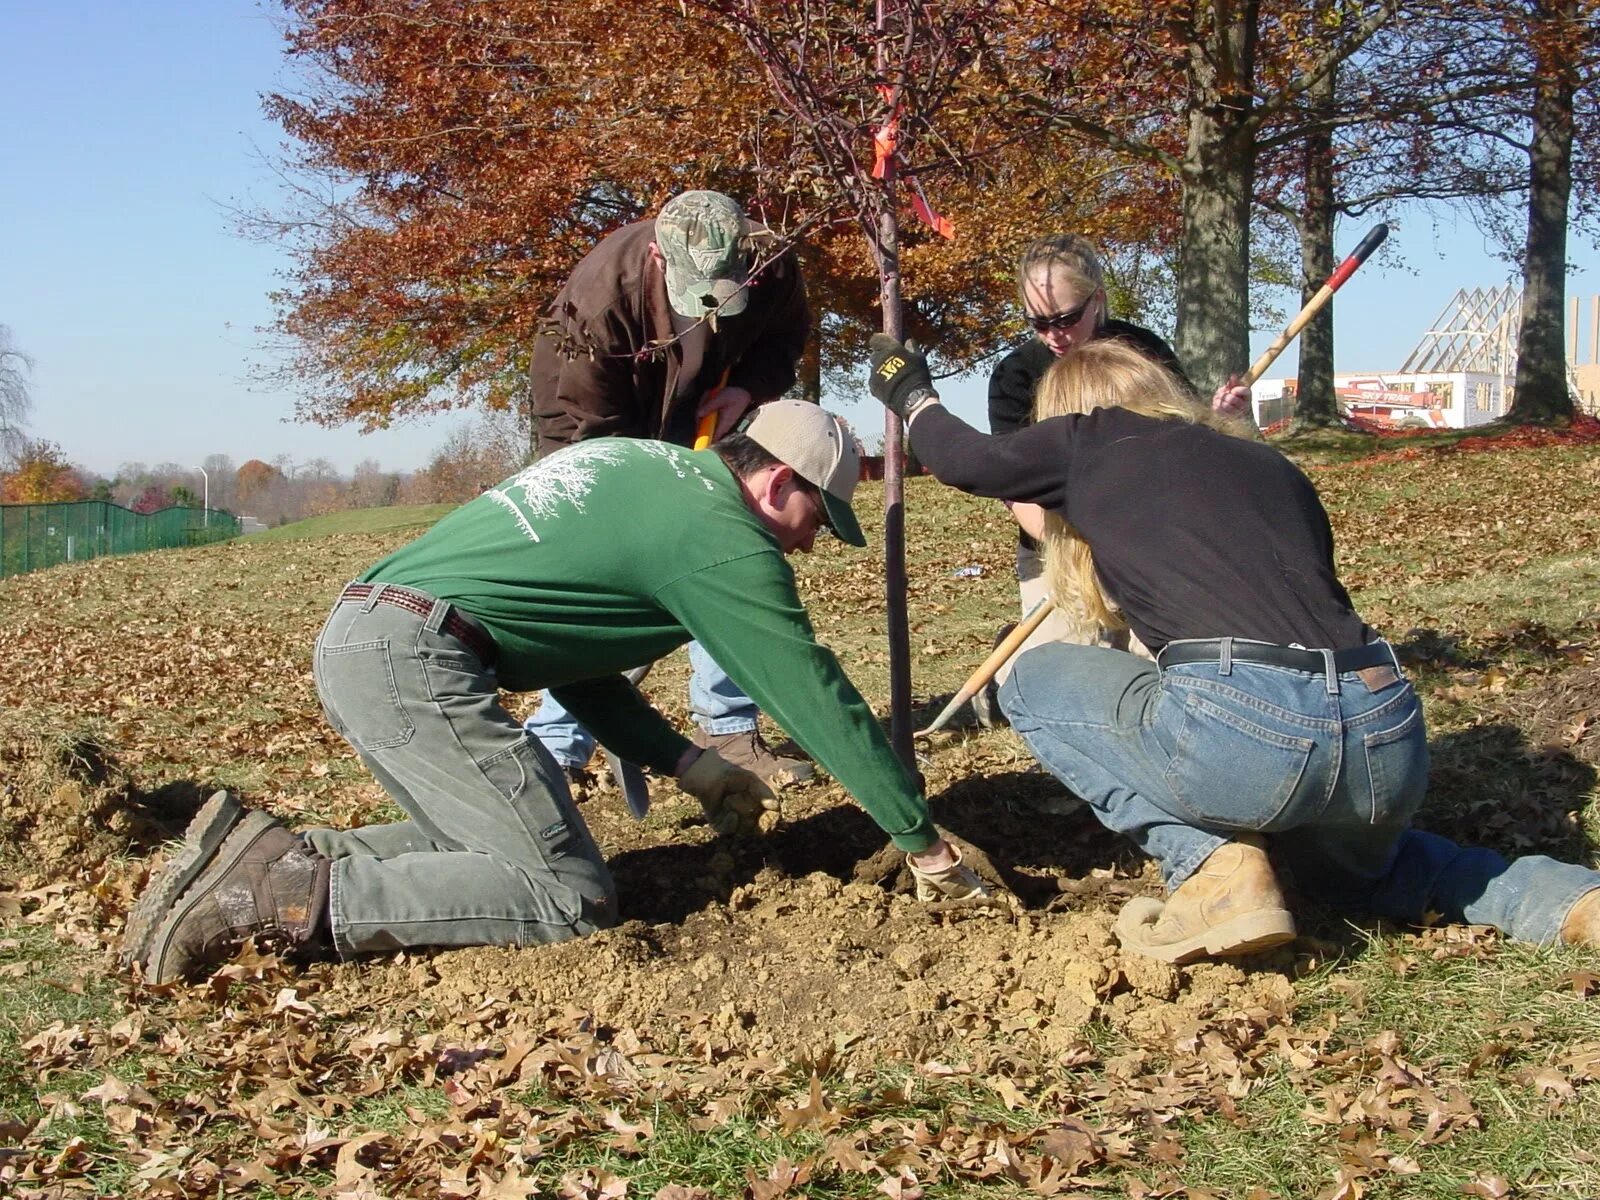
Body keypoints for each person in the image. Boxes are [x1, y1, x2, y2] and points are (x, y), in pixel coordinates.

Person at [121, 401, 990, 985]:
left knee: (468, 841)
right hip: (416, 659)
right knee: (566, 896)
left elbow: (571, 660)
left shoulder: (645, 468)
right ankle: (267, 899)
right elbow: (813, 693)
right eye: (816, 521)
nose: (808, 546)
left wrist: (687, 763)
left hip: (371, 635)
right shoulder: (725, 537)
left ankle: (277, 851)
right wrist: (921, 840)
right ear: (776, 484)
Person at [865, 333, 1600, 964]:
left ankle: (1217, 870)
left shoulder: (1090, 436)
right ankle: (1569, 901)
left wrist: (913, 395)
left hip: (1251, 728)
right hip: (1385, 729)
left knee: (1032, 679)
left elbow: (966, 460)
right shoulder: (1271, 466)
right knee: (1369, 877)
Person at [525, 189, 813, 787]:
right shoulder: (600, 298)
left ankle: (727, 729)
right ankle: (556, 747)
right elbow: (592, 422)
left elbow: (785, 339)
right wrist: (644, 505)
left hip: (710, 415)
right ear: (658, 256)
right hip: (592, 431)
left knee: (727, 550)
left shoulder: (769, 262)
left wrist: (748, 390)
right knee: (605, 577)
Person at [977, 236, 1252, 727]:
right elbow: (1016, 490)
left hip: (1150, 537)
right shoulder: (1017, 375)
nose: (1054, 334)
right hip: (1058, 539)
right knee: (1066, 675)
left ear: (1097, 299)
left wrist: (1219, 420)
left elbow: (1182, 440)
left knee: (1164, 663)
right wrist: (1087, 551)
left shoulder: (1142, 352)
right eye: (1039, 322)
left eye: (1065, 318)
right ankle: (1011, 664)